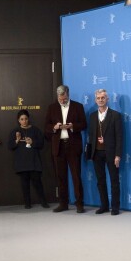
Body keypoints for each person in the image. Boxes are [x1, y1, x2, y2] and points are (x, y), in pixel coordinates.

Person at [44, 85, 87, 213]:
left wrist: (73, 126)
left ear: (68, 95)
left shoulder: (78, 106)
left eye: (64, 99)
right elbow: (46, 126)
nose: (62, 101)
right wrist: (55, 127)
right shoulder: (51, 108)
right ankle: (63, 203)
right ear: (57, 96)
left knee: (76, 176)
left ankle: (79, 204)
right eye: (60, 99)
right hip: (58, 146)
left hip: (73, 146)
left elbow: (84, 124)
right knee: (61, 177)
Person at [87, 89, 123, 215]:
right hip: (97, 153)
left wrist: (118, 155)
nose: (101, 100)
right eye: (98, 98)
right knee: (100, 181)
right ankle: (104, 206)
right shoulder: (92, 116)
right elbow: (90, 136)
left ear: (107, 99)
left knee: (114, 181)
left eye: (103, 98)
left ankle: (115, 207)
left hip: (111, 153)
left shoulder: (116, 115)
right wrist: (90, 153)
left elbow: (119, 137)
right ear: (95, 100)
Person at [7, 110, 48, 209]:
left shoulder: (36, 130)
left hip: (34, 161)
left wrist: (32, 141)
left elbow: (41, 144)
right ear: (18, 120)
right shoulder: (15, 131)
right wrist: (17, 140)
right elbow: (10, 146)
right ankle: (27, 203)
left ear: (28, 119)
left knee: (37, 182)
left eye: (25, 119)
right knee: (24, 184)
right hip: (22, 162)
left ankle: (43, 202)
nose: (24, 121)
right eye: (22, 119)